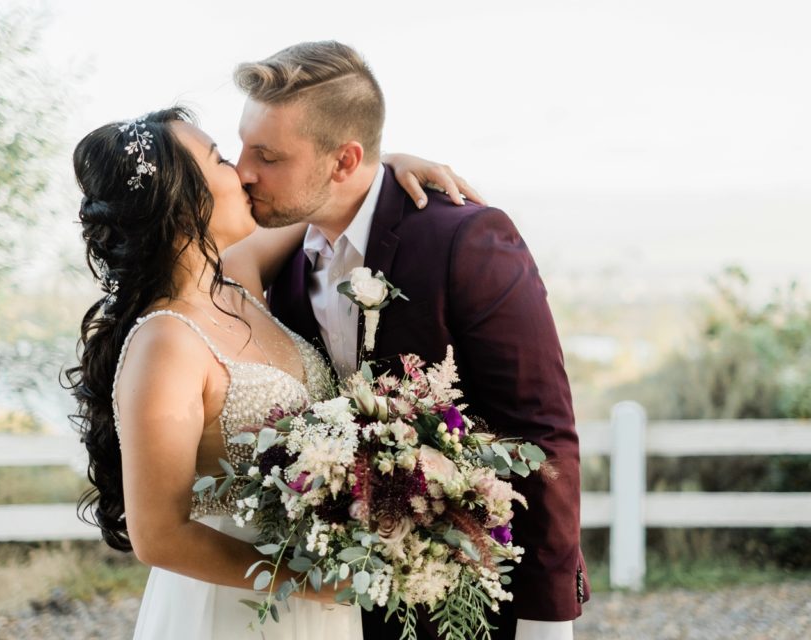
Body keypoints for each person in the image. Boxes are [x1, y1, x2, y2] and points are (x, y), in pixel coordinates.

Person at [65, 107, 475, 639]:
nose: (245, 172)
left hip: (317, 603)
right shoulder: (166, 342)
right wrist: (310, 580)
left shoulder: (235, 280)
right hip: (234, 609)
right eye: (220, 158)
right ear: (184, 201)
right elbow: (159, 536)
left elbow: (320, 198)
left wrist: (381, 165)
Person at [234, 41, 590, 640]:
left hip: (468, 597)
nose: (244, 171)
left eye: (267, 155)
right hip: (341, 597)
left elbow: (540, 429)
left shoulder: (467, 240)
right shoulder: (284, 257)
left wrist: (547, 622)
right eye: (243, 147)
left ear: (345, 161)